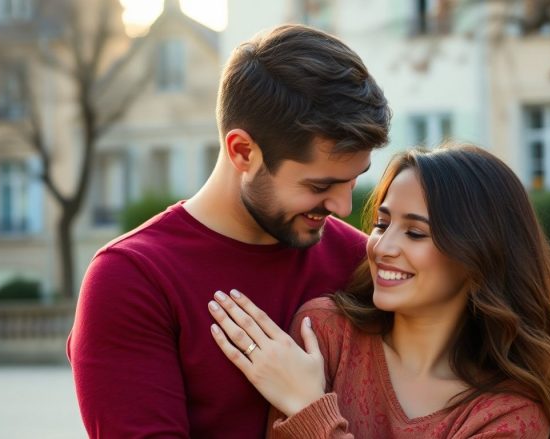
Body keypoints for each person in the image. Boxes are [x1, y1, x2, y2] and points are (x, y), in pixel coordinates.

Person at [66, 24, 391, 438]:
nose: (343, 208)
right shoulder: (132, 279)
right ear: (242, 151)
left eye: (355, 179)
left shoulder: (363, 264)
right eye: (319, 186)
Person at [208, 144, 550, 439]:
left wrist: (310, 410)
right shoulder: (324, 334)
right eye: (382, 224)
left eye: (416, 233)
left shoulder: (509, 414)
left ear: (479, 255)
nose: (381, 247)